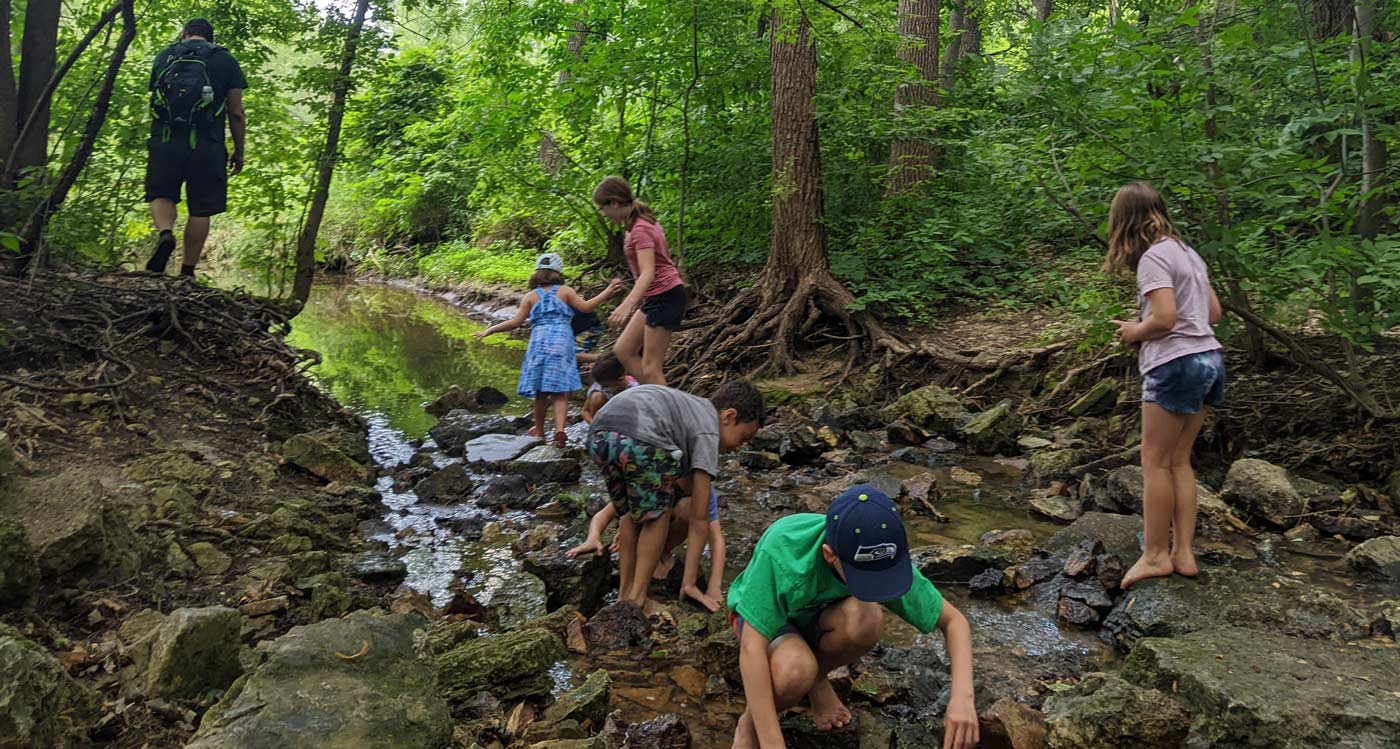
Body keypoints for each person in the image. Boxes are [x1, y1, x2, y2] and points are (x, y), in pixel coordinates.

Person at [727, 486, 978, 749]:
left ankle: (817, 679)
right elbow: (751, 649)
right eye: (865, 578)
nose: (878, 583)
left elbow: (954, 622)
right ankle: (749, 722)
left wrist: (962, 697)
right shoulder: (782, 549)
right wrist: (768, 740)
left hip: (820, 619)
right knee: (795, 670)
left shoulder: (881, 553)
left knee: (867, 618)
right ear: (829, 555)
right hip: (769, 622)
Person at [1105, 183, 1225, 590]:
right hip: (1210, 359)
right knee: (1179, 461)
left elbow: (1165, 318)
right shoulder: (1187, 252)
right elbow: (1213, 312)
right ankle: (1184, 554)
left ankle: (1156, 555)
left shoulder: (1153, 257)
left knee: (1154, 461)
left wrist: (1133, 330)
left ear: (1125, 220)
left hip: (1176, 364)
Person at [587, 381, 764, 614]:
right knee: (657, 515)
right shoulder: (708, 428)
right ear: (729, 416)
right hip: (642, 439)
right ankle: (638, 598)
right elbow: (699, 518)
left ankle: (624, 596)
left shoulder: (688, 409)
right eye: (742, 438)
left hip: (599, 434)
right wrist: (689, 584)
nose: (738, 448)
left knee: (629, 515)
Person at [475, 254, 621, 447]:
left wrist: (490, 330)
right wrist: (608, 290)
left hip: (539, 342)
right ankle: (560, 430)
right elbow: (586, 308)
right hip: (562, 340)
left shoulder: (530, 296)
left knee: (541, 393)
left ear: (536, 274)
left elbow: (515, 322)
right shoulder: (565, 291)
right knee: (560, 392)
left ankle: (540, 432)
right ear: (558, 273)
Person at [143, 18, 247, 277]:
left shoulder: (165, 56)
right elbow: (236, 113)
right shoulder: (225, 60)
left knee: (161, 194)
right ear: (210, 37)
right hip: (207, 145)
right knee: (201, 208)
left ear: (185, 33)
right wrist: (239, 150)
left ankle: (166, 234)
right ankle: (187, 272)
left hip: (165, 141)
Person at [566, 485, 727, 612]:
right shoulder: (650, 481)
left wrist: (715, 587)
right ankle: (641, 570)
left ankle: (660, 555)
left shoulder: (703, 489)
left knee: (689, 506)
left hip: (664, 538)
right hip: (637, 538)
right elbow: (604, 515)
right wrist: (593, 537)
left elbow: (717, 539)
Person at [593, 176, 687, 385]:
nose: (603, 213)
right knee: (623, 350)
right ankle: (656, 396)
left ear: (615, 202)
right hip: (657, 297)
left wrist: (627, 305)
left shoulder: (641, 229)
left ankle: (669, 411)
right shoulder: (637, 224)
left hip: (665, 296)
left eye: (603, 207)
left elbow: (648, 272)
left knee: (651, 368)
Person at [581, 354, 639, 423]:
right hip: (607, 422)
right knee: (596, 397)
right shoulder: (601, 384)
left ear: (620, 379)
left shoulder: (635, 389)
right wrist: (594, 425)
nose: (602, 388)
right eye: (601, 385)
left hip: (630, 419)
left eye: (607, 386)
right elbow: (584, 412)